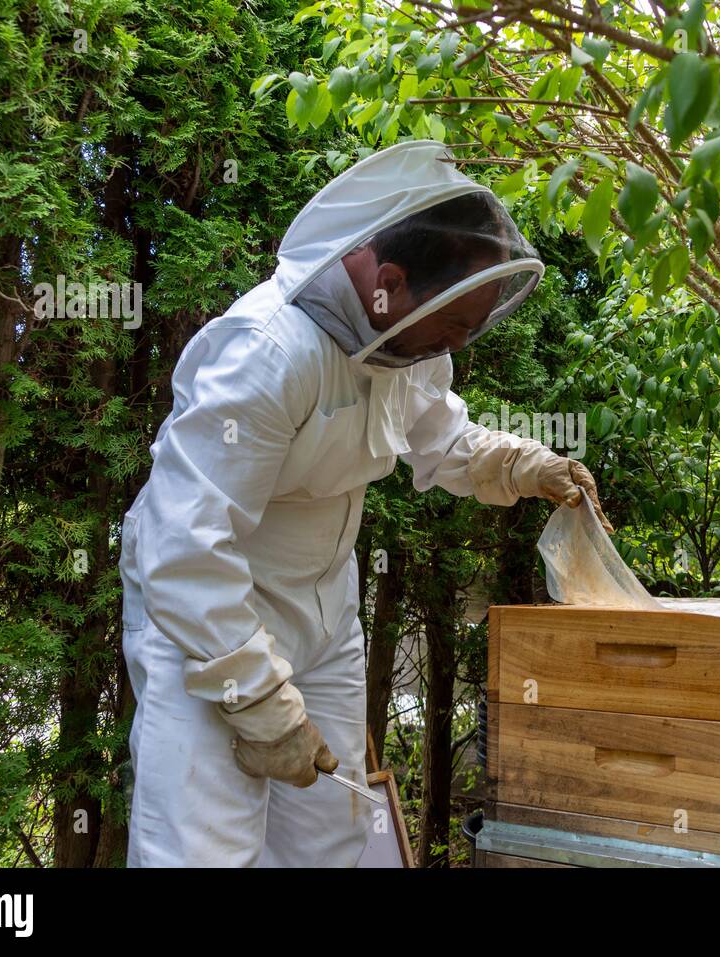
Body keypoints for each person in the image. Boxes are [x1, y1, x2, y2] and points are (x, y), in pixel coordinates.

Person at [117, 140, 611, 867]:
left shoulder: (412, 337)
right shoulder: (266, 354)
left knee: (333, 838)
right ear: (389, 280)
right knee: (202, 850)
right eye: (451, 325)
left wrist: (525, 465)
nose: (457, 344)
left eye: (467, 326)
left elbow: (443, 440)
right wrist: (253, 693)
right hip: (208, 625)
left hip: (323, 621)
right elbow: (181, 547)